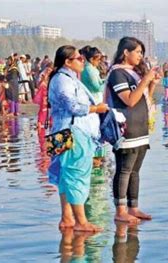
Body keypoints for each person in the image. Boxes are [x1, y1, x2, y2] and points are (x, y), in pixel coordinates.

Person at [47, 45, 109, 232]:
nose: (83, 61)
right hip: (72, 132)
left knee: (65, 176)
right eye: (79, 59)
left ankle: (67, 218)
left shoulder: (65, 78)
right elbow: (72, 106)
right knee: (76, 175)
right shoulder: (63, 80)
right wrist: (96, 109)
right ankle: (81, 222)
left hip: (60, 130)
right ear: (67, 62)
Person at [107, 37, 159, 223]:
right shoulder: (117, 74)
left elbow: (144, 99)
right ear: (125, 52)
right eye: (137, 52)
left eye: (141, 53)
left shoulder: (134, 73)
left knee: (135, 170)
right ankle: (120, 210)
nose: (140, 56)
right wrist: (145, 80)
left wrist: (150, 84)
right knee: (124, 169)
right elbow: (129, 100)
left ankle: (133, 207)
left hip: (140, 127)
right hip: (126, 128)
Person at [33, 64, 53, 128]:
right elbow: (39, 85)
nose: (48, 71)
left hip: (51, 95)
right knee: (43, 109)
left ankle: (51, 123)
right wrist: (43, 80)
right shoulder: (43, 76)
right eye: (47, 70)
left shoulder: (54, 76)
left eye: (50, 70)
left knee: (53, 110)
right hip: (44, 95)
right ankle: (40, 122)